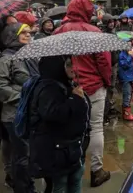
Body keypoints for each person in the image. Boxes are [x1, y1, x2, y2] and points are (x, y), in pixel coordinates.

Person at [53, 0, 112, 187]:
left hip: (67, 89)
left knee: (68, 131)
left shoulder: (57, 33)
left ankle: (71, 169)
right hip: (93, 88)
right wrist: (107, 81)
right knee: (95, 128)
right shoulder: (94, 32)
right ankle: (97, 170)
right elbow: (104, 62)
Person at [29, 56, 91, 193]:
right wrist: (74, 98)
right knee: (60, 185)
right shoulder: (48, 89)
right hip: (58, 151)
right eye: (68, 65)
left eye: (73, 64)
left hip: (71, 149)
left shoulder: (66, 84)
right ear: (57, 67)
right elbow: (53, 114)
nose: (73, 68)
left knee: (75, 180)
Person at [0, 23, 37, 193]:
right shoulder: (6, 58)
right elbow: (1, 87)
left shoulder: (26, 55)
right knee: (22, 156)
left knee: (26, 154)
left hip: (27, 112)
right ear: (13, 35)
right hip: (14, 115)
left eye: (30, 32)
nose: (28, 35)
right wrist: (23, 95)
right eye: (24, 33)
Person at [118, 46, 133, 121]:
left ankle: (128, 113)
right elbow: (125, 65)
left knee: (129, 94)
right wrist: (130, 56)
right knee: (127, 95)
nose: (130, 47)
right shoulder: (121, 55)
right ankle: (126, 114)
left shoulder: (128, 53)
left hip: (129, 77)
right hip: (125, 78)